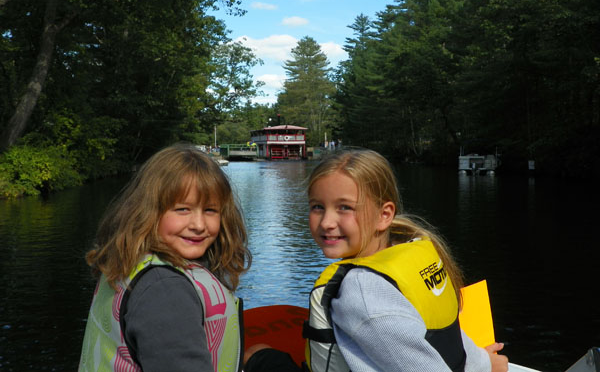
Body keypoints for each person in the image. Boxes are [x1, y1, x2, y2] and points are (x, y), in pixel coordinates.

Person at [303, 149, 509, 372]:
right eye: (317, 207)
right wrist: (484, 363)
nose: (326, 222)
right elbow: (447, 338)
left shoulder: (361, 290)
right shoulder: (410, 255)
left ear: (384, 215)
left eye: (345, 208)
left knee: (270, 356)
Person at [78, 143, 252, 372]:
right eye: (182, 209)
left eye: (210, 210)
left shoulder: (134, 264)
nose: (199, 225)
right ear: (148, 212)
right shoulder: (165, 291)